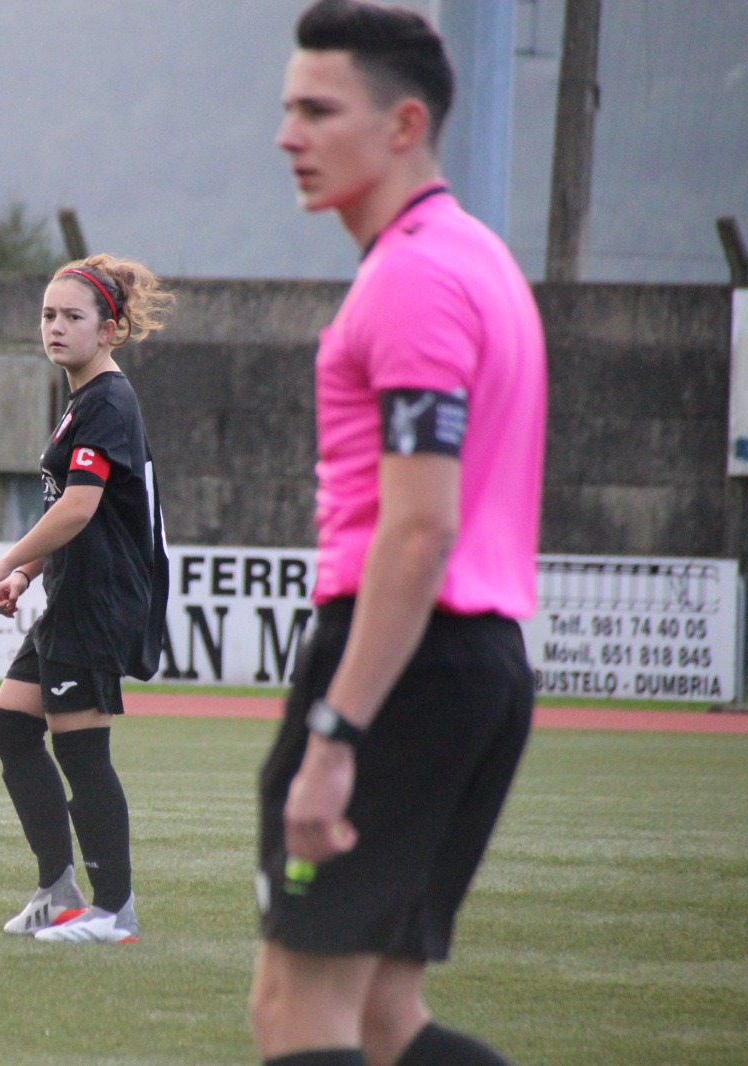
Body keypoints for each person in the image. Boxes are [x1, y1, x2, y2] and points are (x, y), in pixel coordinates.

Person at [250, 2, 545, 1064]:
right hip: (474, 664)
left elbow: (418, 532)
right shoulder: (475, 259)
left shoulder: (413, 278)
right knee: (383, 1018)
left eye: (318, 110)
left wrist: (334, 739)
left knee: (298, 1013)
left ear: (403, 123)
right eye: (287, 108)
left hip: (404, 666)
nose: (289, 134)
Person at [0, 253, 172, 944]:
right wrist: (26, 577)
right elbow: (75, 508)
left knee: (82, 752)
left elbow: (81, 509)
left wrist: (7, 558)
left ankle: (114, 913)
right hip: (71, 597)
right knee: (12, 729)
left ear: (109, 330)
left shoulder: (109, 401)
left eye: (72, 317)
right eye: (48, 315)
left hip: (100, 603)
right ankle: (57, 893)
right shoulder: (82, 401)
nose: (55, 327)